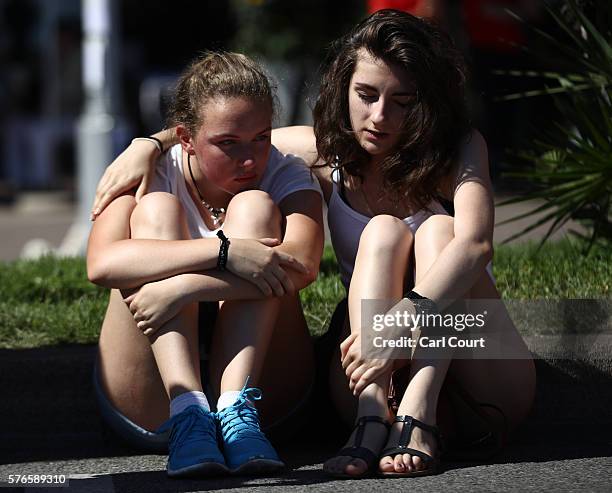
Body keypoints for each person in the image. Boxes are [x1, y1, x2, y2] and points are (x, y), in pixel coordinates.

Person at [92, 9, 535, 479]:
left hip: (473, 348)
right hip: (373, 371)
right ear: (344, 87)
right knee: (383, 231)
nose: (380, 116)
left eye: (403, 101)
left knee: (438, 232)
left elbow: (475, 247)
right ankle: (372, 421)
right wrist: (150, 143)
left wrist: (402, 321)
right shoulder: (324, 150)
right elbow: (220, 131)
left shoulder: (460, 148)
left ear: (427, 103)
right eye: (366, 95)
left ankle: (419, 413)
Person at [87, 51, 324, 478]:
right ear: (186, 138)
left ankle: (235, 411)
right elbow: (101, 265)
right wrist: (224, 253)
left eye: (262, 138)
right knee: (157, 208)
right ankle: (189, 412)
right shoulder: (149, 169)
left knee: (255, 207)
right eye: (228, 144)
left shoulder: (285, 173)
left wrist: (183, 287)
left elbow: (302, 267)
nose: (250, 160)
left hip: (266, 394)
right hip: (151, 397)